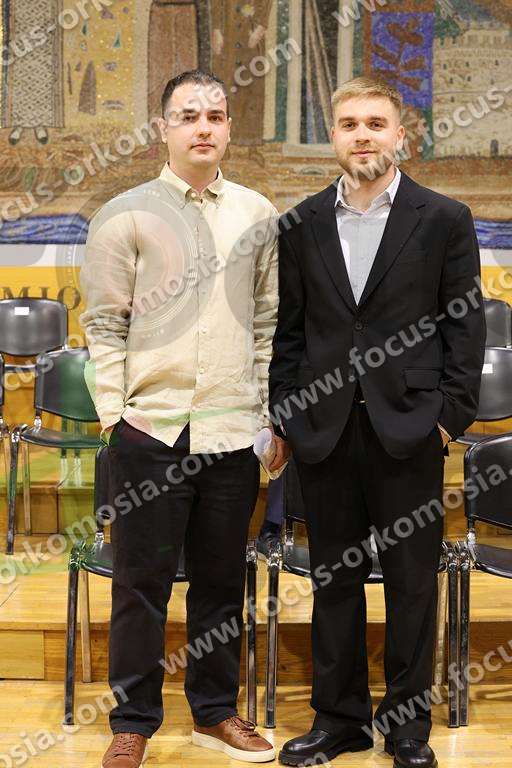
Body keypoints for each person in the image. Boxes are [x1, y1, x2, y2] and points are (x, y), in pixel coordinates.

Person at [268, 75, 486, 768]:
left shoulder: (443, 218)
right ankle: (339, 721)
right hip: (325, 432)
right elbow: (290, 333)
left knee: (411, 585)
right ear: (333, 136)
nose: (362, 135)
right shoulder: (301, 223)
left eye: (375, 123)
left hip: (411, 431)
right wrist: (288, 414)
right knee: (333, 582)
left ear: (400, 134)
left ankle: (407, 727)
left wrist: (447, 421)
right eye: (349, 124)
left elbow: (465, 329)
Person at [80, 69, 278, 767]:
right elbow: (103, 324)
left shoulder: (257, 214)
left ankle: (214, 713)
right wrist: (115, 418)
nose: (203, 127)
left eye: (215, 116)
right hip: (151, 431)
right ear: (162, 127)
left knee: (222, 583)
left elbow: (267, 323)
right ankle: (133, 719)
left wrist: (265, 417)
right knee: (141, 585)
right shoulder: (126, 213)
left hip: (231, 432)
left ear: (228, 129)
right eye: (188, 115)